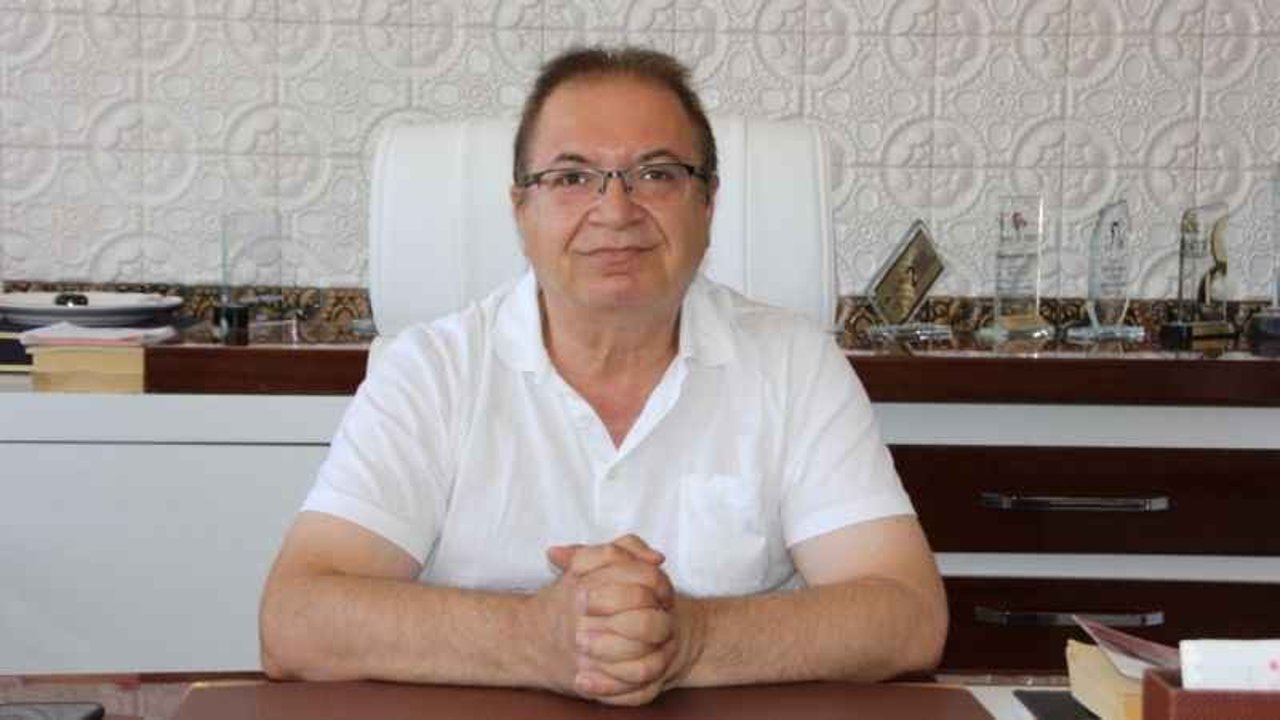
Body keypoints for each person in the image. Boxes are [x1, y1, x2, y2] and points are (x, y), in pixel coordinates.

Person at [259, 45, 947, 707]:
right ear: (521, 209)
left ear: (708, 204)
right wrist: (536, 640)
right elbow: (296, 621)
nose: (616, 212)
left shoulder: (794, 362)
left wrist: (690, 639)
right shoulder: (430, 370)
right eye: (571, 178)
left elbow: (908, 616)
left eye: (657, 174)